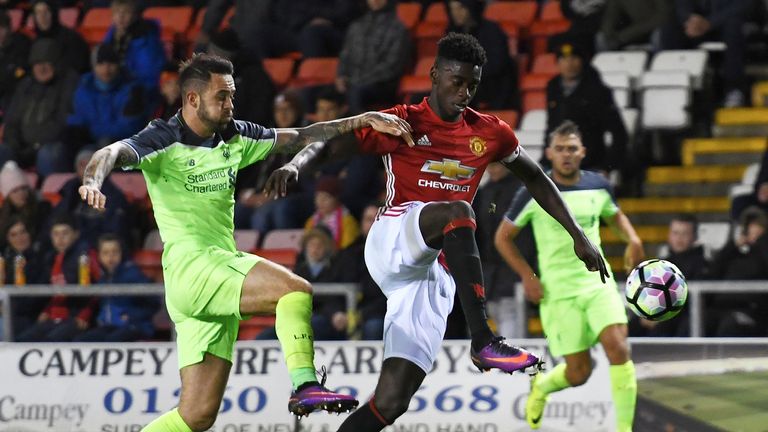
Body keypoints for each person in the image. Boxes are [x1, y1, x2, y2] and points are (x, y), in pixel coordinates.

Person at [265, 33, 609, 431]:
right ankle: (483, 340)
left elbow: (536, 178)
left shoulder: (490, 133)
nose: (464, 92)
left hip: (434, 274)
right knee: (457, 211)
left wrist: (578, 236)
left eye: (472, 85)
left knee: (392, 402)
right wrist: (295, 165)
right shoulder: (402, 121)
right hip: (394, 239)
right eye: (456, 81)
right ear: (434, 75)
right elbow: (329, 142)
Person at [77, 53, 414, 431]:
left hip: (205, 279)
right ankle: (305, 385)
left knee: (196, 416)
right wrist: (92, 180)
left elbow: (303, 137)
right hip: (195, 268)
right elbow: (109, 153)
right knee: (295, 291)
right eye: (221, 96)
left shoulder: (235, 135)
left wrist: (362, 119)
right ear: (192, 99)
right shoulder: (162, 139)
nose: (229, 104)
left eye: (231, 96)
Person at [494, 121, 643, 432]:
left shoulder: (598, 185)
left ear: (582, 152)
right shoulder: (533, 191)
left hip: (597, 284)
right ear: (549, 153)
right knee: (578, 373)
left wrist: (633, 239)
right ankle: (542, 388)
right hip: (558, 292)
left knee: (618, 347)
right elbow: (502, 238)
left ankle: (625, 428)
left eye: (572, 148)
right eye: (560, 149)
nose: (566, 155)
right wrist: (528, 275)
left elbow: (614, 215)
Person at [545, 40, 628, 175]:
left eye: (574, 58)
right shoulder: (553, 87)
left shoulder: (598, 90)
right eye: (564, 59)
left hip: (590, 164)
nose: (569, 64)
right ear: (558, 63)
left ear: (582, 61)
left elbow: (619, 133)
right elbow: (551, 126)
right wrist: (546, 161)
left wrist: (607, 167)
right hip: (558, 164)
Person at [2, 37, 79, 176]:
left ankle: (49, 195)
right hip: (23, 148)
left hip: (53, 146)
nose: (41, 68)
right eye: (37, 63)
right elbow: (12, 122)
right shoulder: (25, 86)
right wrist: (16, 145)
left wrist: (37, 145)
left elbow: (63, 122)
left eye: (46, 63)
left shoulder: (68, 84)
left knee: (48, 154)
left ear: (56, 64)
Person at [73, 233, 158, 342]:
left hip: (135, 326)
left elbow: (154, 302)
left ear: (121, 253)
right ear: (99, 256)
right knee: (82, 341)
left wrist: (131, 315)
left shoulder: (132, 274)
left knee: (112, 341)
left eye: (115, 252)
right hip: (109, 327)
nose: (110, 257)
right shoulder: (102, 278)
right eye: (106, 253)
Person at [336, 0, 410, 114]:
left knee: (356, 92)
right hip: (354, 81)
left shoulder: (398, 28)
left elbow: (392, 66)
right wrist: (341, 75)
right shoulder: (356, 26)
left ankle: (358, 130)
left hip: (383, 85)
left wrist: (357, 80)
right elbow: (345, 55)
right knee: (312, 92)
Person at [29, 0, 90, 73]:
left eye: (46, 12)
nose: (42, 17)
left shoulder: (71, 38)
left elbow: (76, 68)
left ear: (54, 13)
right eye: (38, 13)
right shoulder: (35, 41)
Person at [304, 175, 360, 249]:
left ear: (336, 199)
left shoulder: (347, 221)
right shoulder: (311, 221)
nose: (321, 202)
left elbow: (348, 249)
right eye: (318, 197)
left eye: (326, 197)